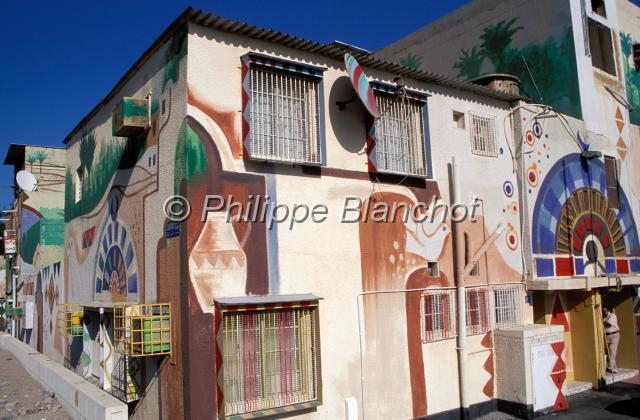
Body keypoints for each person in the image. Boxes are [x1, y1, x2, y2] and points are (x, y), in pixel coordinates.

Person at [602, 306, 620, 373]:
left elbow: (608, 324)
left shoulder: (612, 316)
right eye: (602, 311)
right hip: (607, 336)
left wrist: (601, 321)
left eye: (604, 311)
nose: (603, 312)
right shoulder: (604, 317)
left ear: (608, 311)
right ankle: (614, 368)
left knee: (612, 351)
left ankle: (610, 367)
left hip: (614, 335)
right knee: (608, 352)